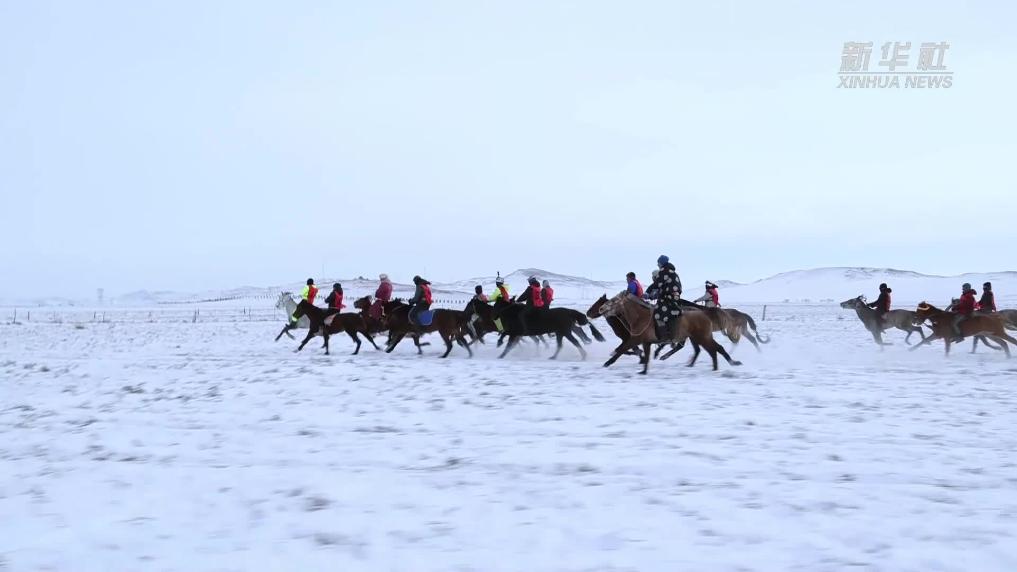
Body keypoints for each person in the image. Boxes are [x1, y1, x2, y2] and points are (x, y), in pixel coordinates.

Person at [648, 255, 682, 340]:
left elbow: (657, 284)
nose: (658, 264)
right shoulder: (671, 271)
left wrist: (647, 293)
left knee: (657, 313)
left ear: (661, 263)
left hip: (668, 296)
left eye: (658, 263)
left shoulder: (664, 271)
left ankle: (664, 336)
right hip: (674, 295)